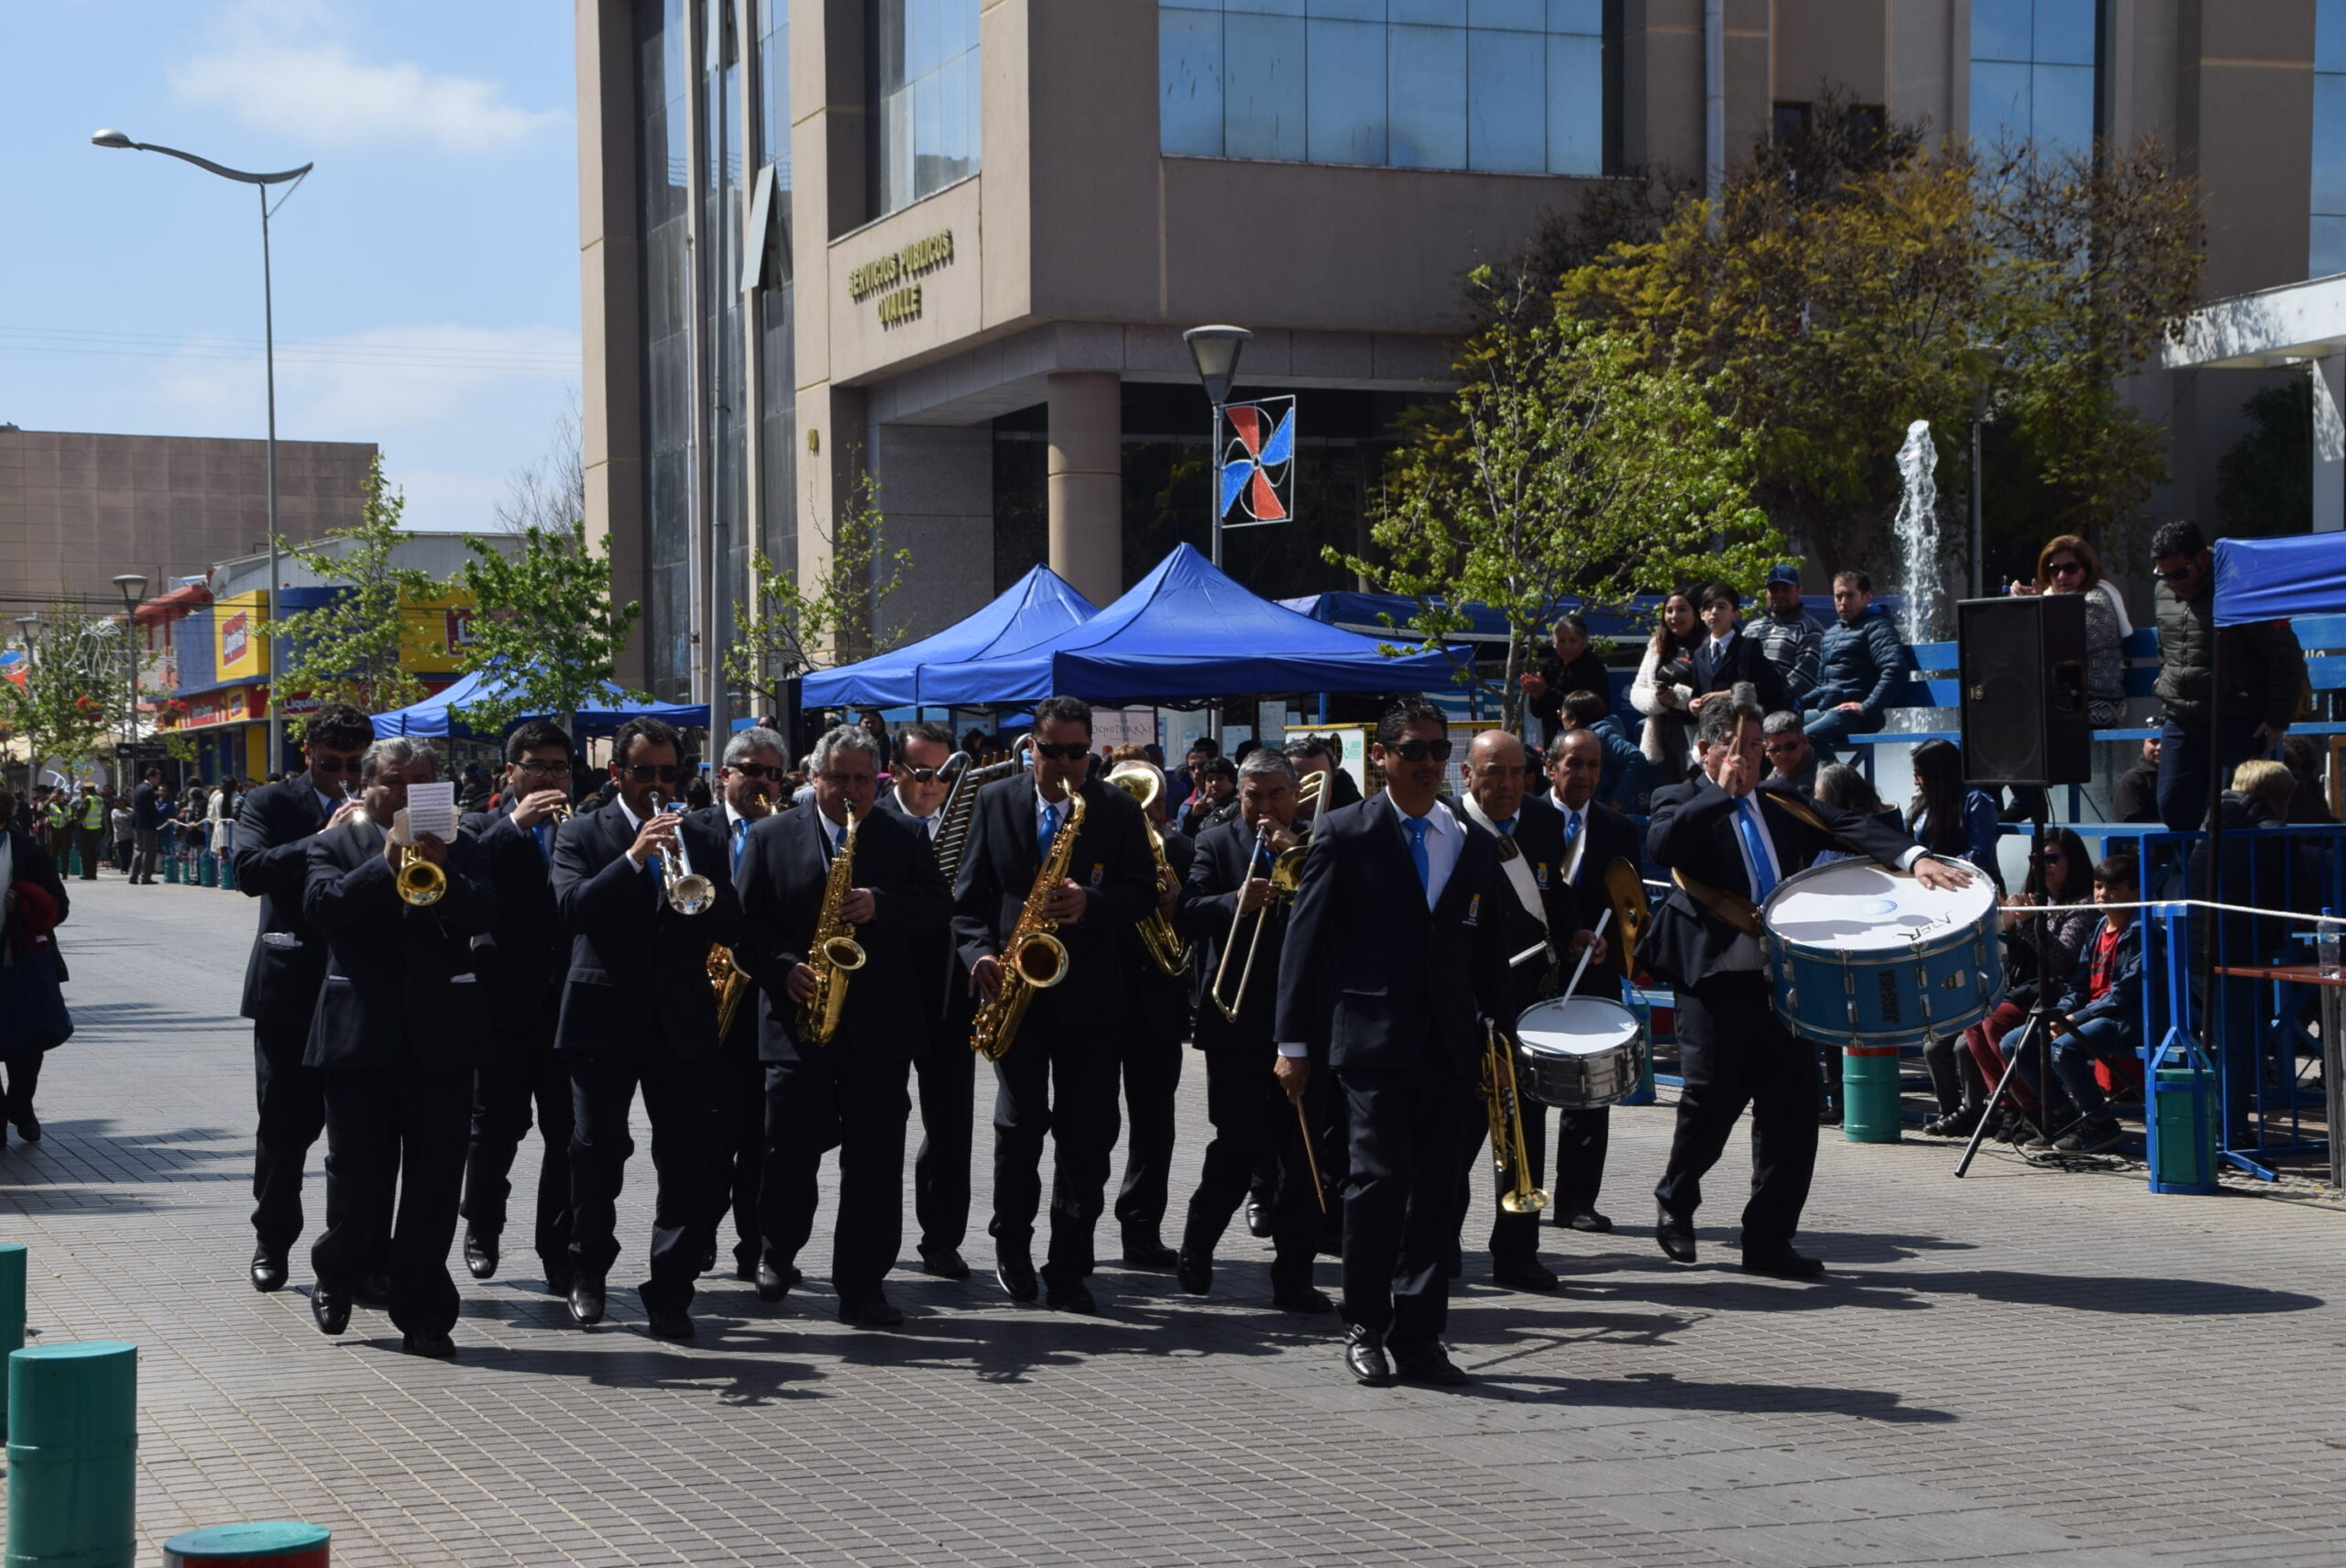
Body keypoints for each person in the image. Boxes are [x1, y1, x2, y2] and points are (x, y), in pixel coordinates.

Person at [1644, 698, 1966, 1277]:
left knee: (1791, 1114)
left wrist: (1914, 858)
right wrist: (1722, 793)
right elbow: (1664, 846)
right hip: (1713, 980)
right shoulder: (1680, 796)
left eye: (1753, 749)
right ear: (1705, 750)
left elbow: (1847, 823)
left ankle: (1768, 1240)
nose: (1746, 760)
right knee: (1711, 1100)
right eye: (1734, 748)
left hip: (1778, 983)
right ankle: (1676, 1197)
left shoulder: (1778, 798)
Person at [1276, 696, 1507, 1387]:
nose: (1429, 763)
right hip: (1371, 1043)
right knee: (1377, 1184)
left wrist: (1503, 1038)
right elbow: (1304, 943)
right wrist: (1292, 1040)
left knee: (1440, 1191)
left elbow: (1487, 950)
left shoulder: (1472, 839)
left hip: (1449, 1045)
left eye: (1440, 751)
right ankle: (1366, 1323)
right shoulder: (1346, 832)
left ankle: (1421, 1333)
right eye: (1414, 751)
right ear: (1381, 756)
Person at [735, 723, 948, 1326]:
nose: (851, 791)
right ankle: (776, 1249)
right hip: (795, 1020)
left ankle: (862, 1285)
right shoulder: (772, 835)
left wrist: (884, 904)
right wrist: (783, 968)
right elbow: (744, 928)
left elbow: (937, 908)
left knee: (876, 1160)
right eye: (839, 778)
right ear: (814, 776)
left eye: (863, 779)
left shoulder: (902, 835)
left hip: (877, 1026)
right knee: (787, 1149)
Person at [951, 695, 1155, 1313]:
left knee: (1086, 1134)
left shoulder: (1117, 808)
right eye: (1054, 751)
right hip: (1014, 988)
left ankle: (1070, 1260)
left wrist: (1093, 902)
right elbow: (966, 899)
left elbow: (1143, 891)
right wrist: (977, 954)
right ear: (1030, 749)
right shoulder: (994, 800)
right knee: (1018, 1126)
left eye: (1078, 752)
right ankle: (1011, 1241)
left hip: (1090, 995)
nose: (1067, 764)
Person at [550, 716, 746, 1341]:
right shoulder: (582, 831)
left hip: (681, 1019)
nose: (659, 785)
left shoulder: (702, 836)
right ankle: (586, 1272)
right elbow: (573, 909)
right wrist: (636, 858)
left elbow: (733, 923)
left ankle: (671, 1290)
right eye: (645, 773)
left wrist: (698, 881)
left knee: (687, 1159)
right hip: (602, 1017)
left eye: (671, 773)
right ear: (617, 775)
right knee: (595, 1153)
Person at [301, 738, 496, 1358]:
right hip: (361, 1042)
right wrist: (384, 863)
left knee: (435, 1188)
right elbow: (322, 909)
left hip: (440, 1041)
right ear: (368, 786)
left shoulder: (466, 845)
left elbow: (489, 913)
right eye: (395, 780)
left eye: (422, 779)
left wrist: (450, 875)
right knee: (360, 1186)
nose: (409, 791)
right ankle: (337, 1270)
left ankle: (425, 1313)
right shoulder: (336, 842)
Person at [1173, 750, 1329, 1313]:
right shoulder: (1216, 843)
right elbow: (1185, 910)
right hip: (1236, 1020)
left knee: (1302, 1155)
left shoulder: (1318, 841)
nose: (1265, 807)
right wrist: (1232, 901)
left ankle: (1294, 1277)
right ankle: (1197, 1245)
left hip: (1303, 1024)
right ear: (1238, 797)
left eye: (1276, 795)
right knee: (1237, 1147)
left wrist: (1300, 858)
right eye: (1253, 796)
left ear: (1295, 795)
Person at [1451, 731, 1606, 1292]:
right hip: (1464, 1005)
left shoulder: (1540, 821)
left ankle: (1518, 1253)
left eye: (1518, 773)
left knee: (1524, 1132)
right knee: (1457, 1136)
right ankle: (1440, 1244)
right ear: (1467, 775)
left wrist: (1576, 930)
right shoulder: (1448, 827)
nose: (1507, 785)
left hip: (1527, 1001)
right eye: (1494, 772)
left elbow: (1554, 891)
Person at [231, 705, 377, 1295]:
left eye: (353, 764)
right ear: (308, 753)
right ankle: (272, 1240)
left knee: (358, 1136)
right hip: (289, 988)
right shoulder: (270, 803)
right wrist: (323, 839)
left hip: (358, 988)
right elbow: (248, 871)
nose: (342, 774)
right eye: (330, 762)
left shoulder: (382, 807)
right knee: (285, 1128)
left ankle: (353, 1255)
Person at [456, 721, 582, 1296]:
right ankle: (481, 1226)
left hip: (566, 1004)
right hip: (502, 1002)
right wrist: (516, 824)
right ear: (511, 772)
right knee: (495, 1130)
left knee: (567, 1133)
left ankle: (557, 1249)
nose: (552, 778)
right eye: (539, 767)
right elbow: (464, 877)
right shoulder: (481, 825)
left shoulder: (577, 827)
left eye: (560, 768)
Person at [871, 719, 974, 1278]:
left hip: (950, 993)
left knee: (950, 1121)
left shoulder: (967, 819)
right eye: (924, 772)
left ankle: (941, 1238)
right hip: (882, 992)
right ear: (896, 771)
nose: (936, 783)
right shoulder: (870, 819)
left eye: (946, 772)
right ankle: (871, 1243)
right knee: (879, 1122)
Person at [686, 725, 788, 1281]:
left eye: (774, 772)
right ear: (723, 774)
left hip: (766, 1004)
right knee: (708, 1138)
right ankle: (698, 1237)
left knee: (763, 1139)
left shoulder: (790, 830)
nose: (763, 782)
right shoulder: (691, 829)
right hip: (705, 1004)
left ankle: (757, 1248)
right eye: (752, 769)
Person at [2152, 520, 2307, 833]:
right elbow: (2167, 648)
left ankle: (2224, 880)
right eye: (2163, 575)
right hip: (2182, 717)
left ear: (2203, 559)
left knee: (2233, 810)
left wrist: (2278, 718)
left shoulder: (2241, 584)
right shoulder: (2163, 591)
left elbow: (2285, 655)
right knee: (2172, 805)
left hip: (2236, 717)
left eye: (2179, 573)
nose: (2172, 582)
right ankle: (2198, 878)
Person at [1544, 729, 1638, 1231]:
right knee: (1529, 1090)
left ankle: (1577, 1201)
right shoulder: (1527, 821)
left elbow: (1628, 903)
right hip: (1535, 972)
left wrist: (1616, 947)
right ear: (1551, 766)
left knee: (1589, 1090)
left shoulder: (1617, 828)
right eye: (1574, 764)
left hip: (1595, 974)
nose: (1583, 775)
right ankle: (1523, 1195)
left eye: (1593, 765)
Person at [1952, 827, 2099, 1139]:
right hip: (2029, 990)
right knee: (1974, 1020)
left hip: (2068, 996)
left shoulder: (2083, 905)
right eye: (2036, 859)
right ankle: (2009, 1105)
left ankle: (2038, 1109)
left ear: (2073, 860)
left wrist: (2030, 922)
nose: (2042, 866)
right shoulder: (2038, 899)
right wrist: (2006, 928)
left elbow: (2064, 961)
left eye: (2052, 858)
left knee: (1995, 1023)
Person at [1106, 752, 1192, 1271]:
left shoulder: (1179, 848)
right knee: (1094, 1120)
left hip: (1158, 1001)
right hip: (1104, 996)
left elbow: (1198, 915)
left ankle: (1142, 1229)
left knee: (1155, 1122)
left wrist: (1183, 900)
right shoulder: (1100, 847)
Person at [2011, 853, 2145, 1155]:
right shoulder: (2097, 929)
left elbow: (2123, 995)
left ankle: (2100, 1122)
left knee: (2064, 1047)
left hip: (2124, 1019)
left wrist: (2076, 1018)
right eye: (2099, 887)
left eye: (2113, 889)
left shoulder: (2142, 933)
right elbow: (2079, 983)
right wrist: (2061, 1013)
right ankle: (2063, 1117)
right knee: (2013, 1044)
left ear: (2135, 894)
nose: (2103, 895)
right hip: (2091, 1015)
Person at [0, 787, 71, 1144]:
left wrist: (26, 902)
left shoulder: (28, 852)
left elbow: (59, 905)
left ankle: (21, 1105)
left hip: (23, 961)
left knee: (27, 1046)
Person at [2011, 534, 2127, 726]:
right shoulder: (2051, 599)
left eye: (2070, 568)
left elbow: (2063, 647)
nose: (2062, 576)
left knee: (2019, 719)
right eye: (2054, 570)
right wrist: (2029, 605)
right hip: (2062, 700)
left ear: (2086, 569)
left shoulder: (2096, 602)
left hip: (2097, 704)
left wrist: (2032, 609)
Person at [1797, 570, 1911, 762]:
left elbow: (1895, 669)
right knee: (1778, 731)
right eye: (1838, 596)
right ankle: (1789, 789)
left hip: (1858, 716)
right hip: (1828, 711)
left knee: (1804, 739)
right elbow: (1822, 687)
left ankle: (1838, 787)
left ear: (1867, 598)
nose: (1843, 602)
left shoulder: (1877, 627)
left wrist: (1867, 707)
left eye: (1850, 595)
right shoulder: (1831, 634)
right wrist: (1794, 704)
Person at [1906, 738, 2002, 887]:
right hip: (1931, 882)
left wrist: (1940, 868)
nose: (1915, 782)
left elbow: (1978, 854)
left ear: (1937, 774)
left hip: (1969, 884)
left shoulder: (1976, 800)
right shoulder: (1923, 804)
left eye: (1919, 775)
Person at [1630, 589, 1702, 783]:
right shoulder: (1658, 644)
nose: (1674, 616)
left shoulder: (1709, 644)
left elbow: (1713, 693)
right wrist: (1658, 700)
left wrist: (1680, 697)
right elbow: (1637, 691)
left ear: (1696, 612)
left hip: (1700, 736)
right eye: (1669, 610)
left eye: (1681, 609)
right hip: (1665, 737)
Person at [1687, 583, 1789, 718]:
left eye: (1721, 607)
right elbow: (1697, 692)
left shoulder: (1748, 647)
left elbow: (1768, 687)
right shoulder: (1700, 654)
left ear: (1736, 614)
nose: (1714, 612)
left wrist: (1729, 694)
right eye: (1709, 607)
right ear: (1701, 614)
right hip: (1712, 729)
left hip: (1742, 726)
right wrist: (1692, 703)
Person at [1521, 613, 1609, 749]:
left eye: (1573, 641)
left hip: (1585, 740)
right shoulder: (1550, 666)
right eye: (1562, 641)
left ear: (1584, 642)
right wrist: (1536, 693)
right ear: (1554, 643)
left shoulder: (1593, 667)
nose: (1567, 647)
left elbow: (1586, 708)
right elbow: (1537, 712)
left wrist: (1546, 692)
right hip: (1553, 740)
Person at [1556, 689, 1653, 812]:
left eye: (1561, 714)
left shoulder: (1602, 735)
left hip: (1606, 812)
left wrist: (1617, 801)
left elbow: (1636, 757)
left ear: (1573, 719)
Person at [1751, 565, 1825, 698]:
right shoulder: (1752, 629)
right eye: (1774, 590)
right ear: (1766, 593)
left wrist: (1764, 698)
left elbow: (1804, 680)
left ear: (1799, 591)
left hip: (1782, 710)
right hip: (1744, 706)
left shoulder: (1809, 629)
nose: (1779, 595)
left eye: (1786, 589)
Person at [1760, 711, 1818, 795]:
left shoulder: (1820, 783)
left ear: (1805, 742)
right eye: (1775, 749)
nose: (1784, 755)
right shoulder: (1772, 779)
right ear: (1766, 750)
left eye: (1791, 747)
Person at [1178, 757, 1237, 837]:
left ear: (1232, 782)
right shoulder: (1202, 808)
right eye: (1210, 779)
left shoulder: (1238, 808)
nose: (1214, 784)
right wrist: (1193, 817)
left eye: (1220, 778)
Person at [2113, 736, 2162, 825]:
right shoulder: (2131, 781)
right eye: (2154, 741)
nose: (2160, 747)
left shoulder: (2182, 778)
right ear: (2143, 744)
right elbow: (2131, 825)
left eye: (2166, 741)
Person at [1168, 737, 1220, 812]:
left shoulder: (1231, 803)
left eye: (1202, 765)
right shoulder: (1185, 808)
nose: (1197, 771)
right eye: (1192, 768)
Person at [73, 784, 104, 881]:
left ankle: (87, 874)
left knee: (85, 853)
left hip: (87, 828)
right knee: (93, 852)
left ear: (86, 791)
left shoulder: (88, 800)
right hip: (97, 827)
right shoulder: (100, 799)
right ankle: (93, 874)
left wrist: (75, 819)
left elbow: (81, 813)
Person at [108, 792, 133, 874]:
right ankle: (124, 869)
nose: (121, 803)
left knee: (131, 853)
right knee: (123, 854)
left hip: (131, 835)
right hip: (121, 836)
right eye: (119, 801)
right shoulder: (115, 812)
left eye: (122, 801)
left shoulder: (129, 810)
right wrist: (130, 816)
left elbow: (135, 815)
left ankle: (131, 868)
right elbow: (123, 818)